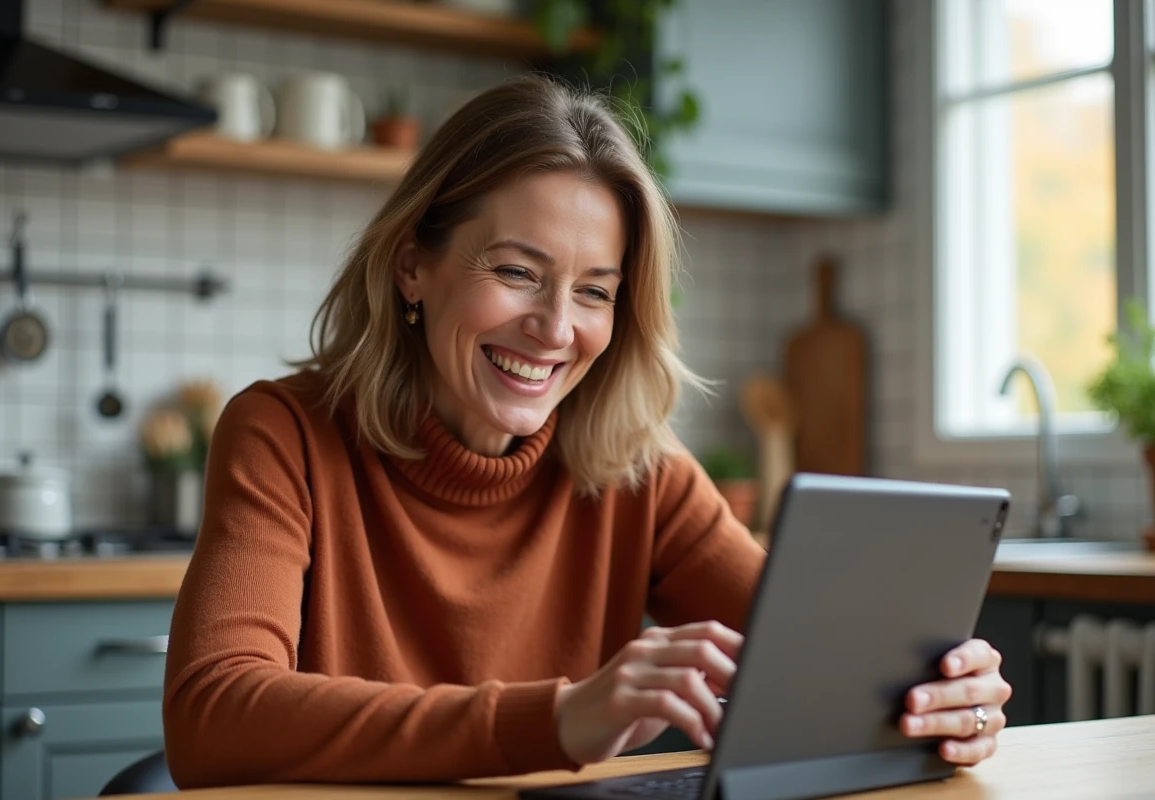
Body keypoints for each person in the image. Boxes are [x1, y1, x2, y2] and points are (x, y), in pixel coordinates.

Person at [162, 74, 1012, 788]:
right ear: (412, 266)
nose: (555, 327)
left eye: (596, 291)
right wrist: (559, 717)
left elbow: (822, 657)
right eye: (517, 273)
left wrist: (939, 694)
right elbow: (213, 715)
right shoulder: (284, 434)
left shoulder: (635, 467)